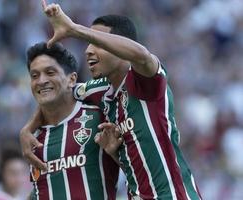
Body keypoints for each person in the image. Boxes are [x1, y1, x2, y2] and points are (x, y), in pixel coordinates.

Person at [37, 2, 202, 200]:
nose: (88, 51)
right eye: (89, 44)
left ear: (120, 47)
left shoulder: (145, 81)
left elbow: (141, 55)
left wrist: (74, 29)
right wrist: (28, 129)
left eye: (97, 43)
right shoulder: (99, 90)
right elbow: (58, 93)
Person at [23, 41, 119, 199]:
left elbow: (135, 171)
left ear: (72, 79)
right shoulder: (32, 139)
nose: (41, 81)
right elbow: (41, 189)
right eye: (35, 75)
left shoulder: (99, 117)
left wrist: (114, 154)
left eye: (50, 72)